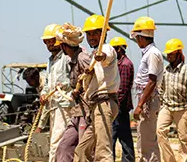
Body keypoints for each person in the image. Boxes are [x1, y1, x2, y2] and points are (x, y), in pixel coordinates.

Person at [74, 15, 119, 162]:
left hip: (104, 103)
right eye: (89, 34)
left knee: (102, 151)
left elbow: (107, 56)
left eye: (95, 33)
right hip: (97, 106)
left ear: (103, 34)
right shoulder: (93, 56)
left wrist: (102, 56)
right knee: (82, 150)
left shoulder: (105, 48)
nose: (91, 37)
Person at [156, 39, 187, 162]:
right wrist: (161, 104)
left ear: (179, 54)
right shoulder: (165, 70)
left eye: (171, 54)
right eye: (168, 54)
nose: (168, 56)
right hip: (167, 107)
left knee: (184, 138)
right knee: (160, 131)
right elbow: (161, 88)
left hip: (183, 107)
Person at [56, 23, 92, 162]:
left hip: (86, 111)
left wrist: (81, 89)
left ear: (64, 46)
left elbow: (93, 79)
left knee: (85, 151)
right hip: (77, 112)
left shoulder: (82, 58)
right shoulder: (72, 60)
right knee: (64, 147)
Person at [38, 24, 73, 162]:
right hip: (54, 106)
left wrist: (63, 85)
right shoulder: (50, 61)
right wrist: (44, 94)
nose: (49, 44)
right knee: (57, 140)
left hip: (64, 105)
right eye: (47, 41)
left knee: (56, 142)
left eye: (52, 40)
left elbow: (74, 79)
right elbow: (47, 82)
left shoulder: (66, 57)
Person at [132, 16, 164, 162]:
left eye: (137, 37)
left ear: (141, 37)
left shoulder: (152, 54)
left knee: (148, 142)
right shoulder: (149, 53)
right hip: (146, 101)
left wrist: (140, 105)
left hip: (148, 102)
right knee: (143, 139)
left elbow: (151, 81)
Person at [110, 36, 135, 162]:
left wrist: (115, 107)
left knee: (113, 137)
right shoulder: (120, 63)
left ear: (119, 49)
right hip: (120, 107)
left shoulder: (124, 65)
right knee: (124, 137)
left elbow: (122, 90)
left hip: (119, 107)